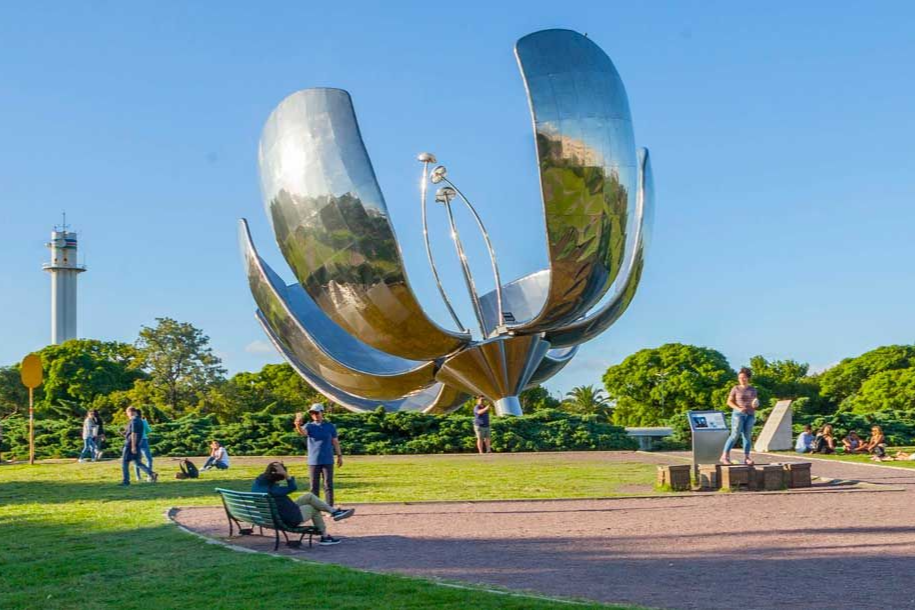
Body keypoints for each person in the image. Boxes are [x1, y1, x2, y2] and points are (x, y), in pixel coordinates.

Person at [251, 461, 354, 546]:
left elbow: (271, 479)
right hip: (288, 518)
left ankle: (334, 511)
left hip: (274, 515)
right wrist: (286, 475)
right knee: (313, 508)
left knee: (308, 496)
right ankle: (325, 537)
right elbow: (292, 488)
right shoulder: (273, 491)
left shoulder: (259, 482)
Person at [294, 404, 343, 506]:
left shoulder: (330, 426)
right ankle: (315, 508)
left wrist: (339, 456)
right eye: (312, 413)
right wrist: (297, 425)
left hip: (327, 460)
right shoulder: (309, 426)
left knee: (328, 485)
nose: (314, 415)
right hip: (314, 460)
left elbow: (335, 442)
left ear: (322, 412)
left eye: (316, 412)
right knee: (314, 486)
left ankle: (329, 507)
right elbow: (303, 432)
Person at [720, 367, 759, 465]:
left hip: (750, 414)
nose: (741, 379)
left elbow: (754, 402)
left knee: (747, 436)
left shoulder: (753, 389)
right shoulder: (735, 388)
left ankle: (747, 458)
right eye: (740, 377)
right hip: (738, 414)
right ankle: (724, 456)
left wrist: (756, 404)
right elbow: (729, 402)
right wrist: (738, 408)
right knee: (735, 434)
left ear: (748, 378)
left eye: (744, 377)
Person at [120, 406, 158, 486]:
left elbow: (134, 434)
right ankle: (151, 473)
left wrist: (133, 446)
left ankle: (126, 481)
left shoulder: (134, 421)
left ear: (131, 412)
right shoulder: (140, 420)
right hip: (137, 444)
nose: (127, 415)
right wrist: (125, 434)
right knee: (137, 462)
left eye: (127, 413)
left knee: (125, 462)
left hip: (130, 444)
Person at [133, 409, 154, 481]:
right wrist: (146, 422)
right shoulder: (143, 421)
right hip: (144, 440)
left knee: (137, 459)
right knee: (149, 459)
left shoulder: (133, 421)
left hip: (136, 441)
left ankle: (138, 477)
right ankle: (149, 476)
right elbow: (148, 430)